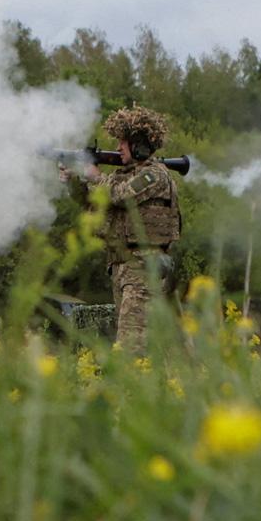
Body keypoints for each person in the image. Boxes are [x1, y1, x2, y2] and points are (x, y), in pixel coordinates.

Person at [61, 107, 182, 354]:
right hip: (122, 267)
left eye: (123, 142)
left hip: (143, 267)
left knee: (131, 348)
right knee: (139, 344)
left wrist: (95, 177)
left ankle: (135, 390)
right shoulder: (121, 176)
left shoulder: (154, 175)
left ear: (139, 145)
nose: (117, 147)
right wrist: (75, 182)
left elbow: (120, 196)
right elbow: (95, 206)